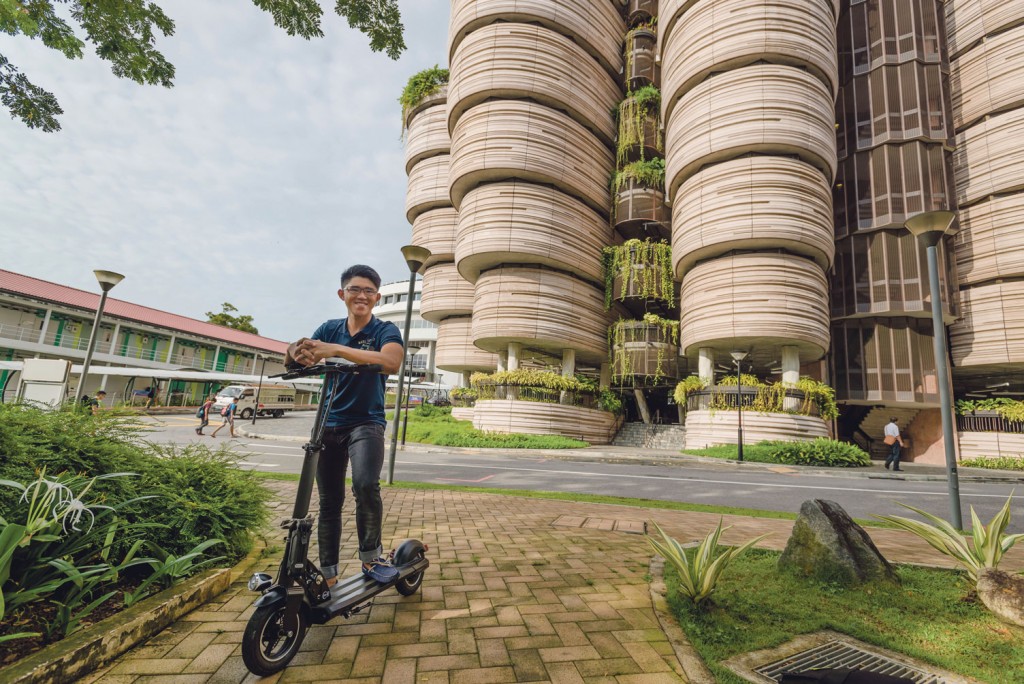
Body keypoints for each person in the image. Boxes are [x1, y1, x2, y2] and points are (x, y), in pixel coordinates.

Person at [286, 264, 403, 587]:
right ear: (342, 294)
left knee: (365, 486)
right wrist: (297, 352)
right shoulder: (329, 327)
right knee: (329, 501)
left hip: (365, 422)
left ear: (377, 297)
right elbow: (296, 353)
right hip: (328, 423)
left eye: (368, 291)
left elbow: (391, 361)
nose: (361, 296)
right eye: (354, 289)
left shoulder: (384, 331)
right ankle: (329, 573)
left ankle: (371, 558)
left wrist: (335, 350)